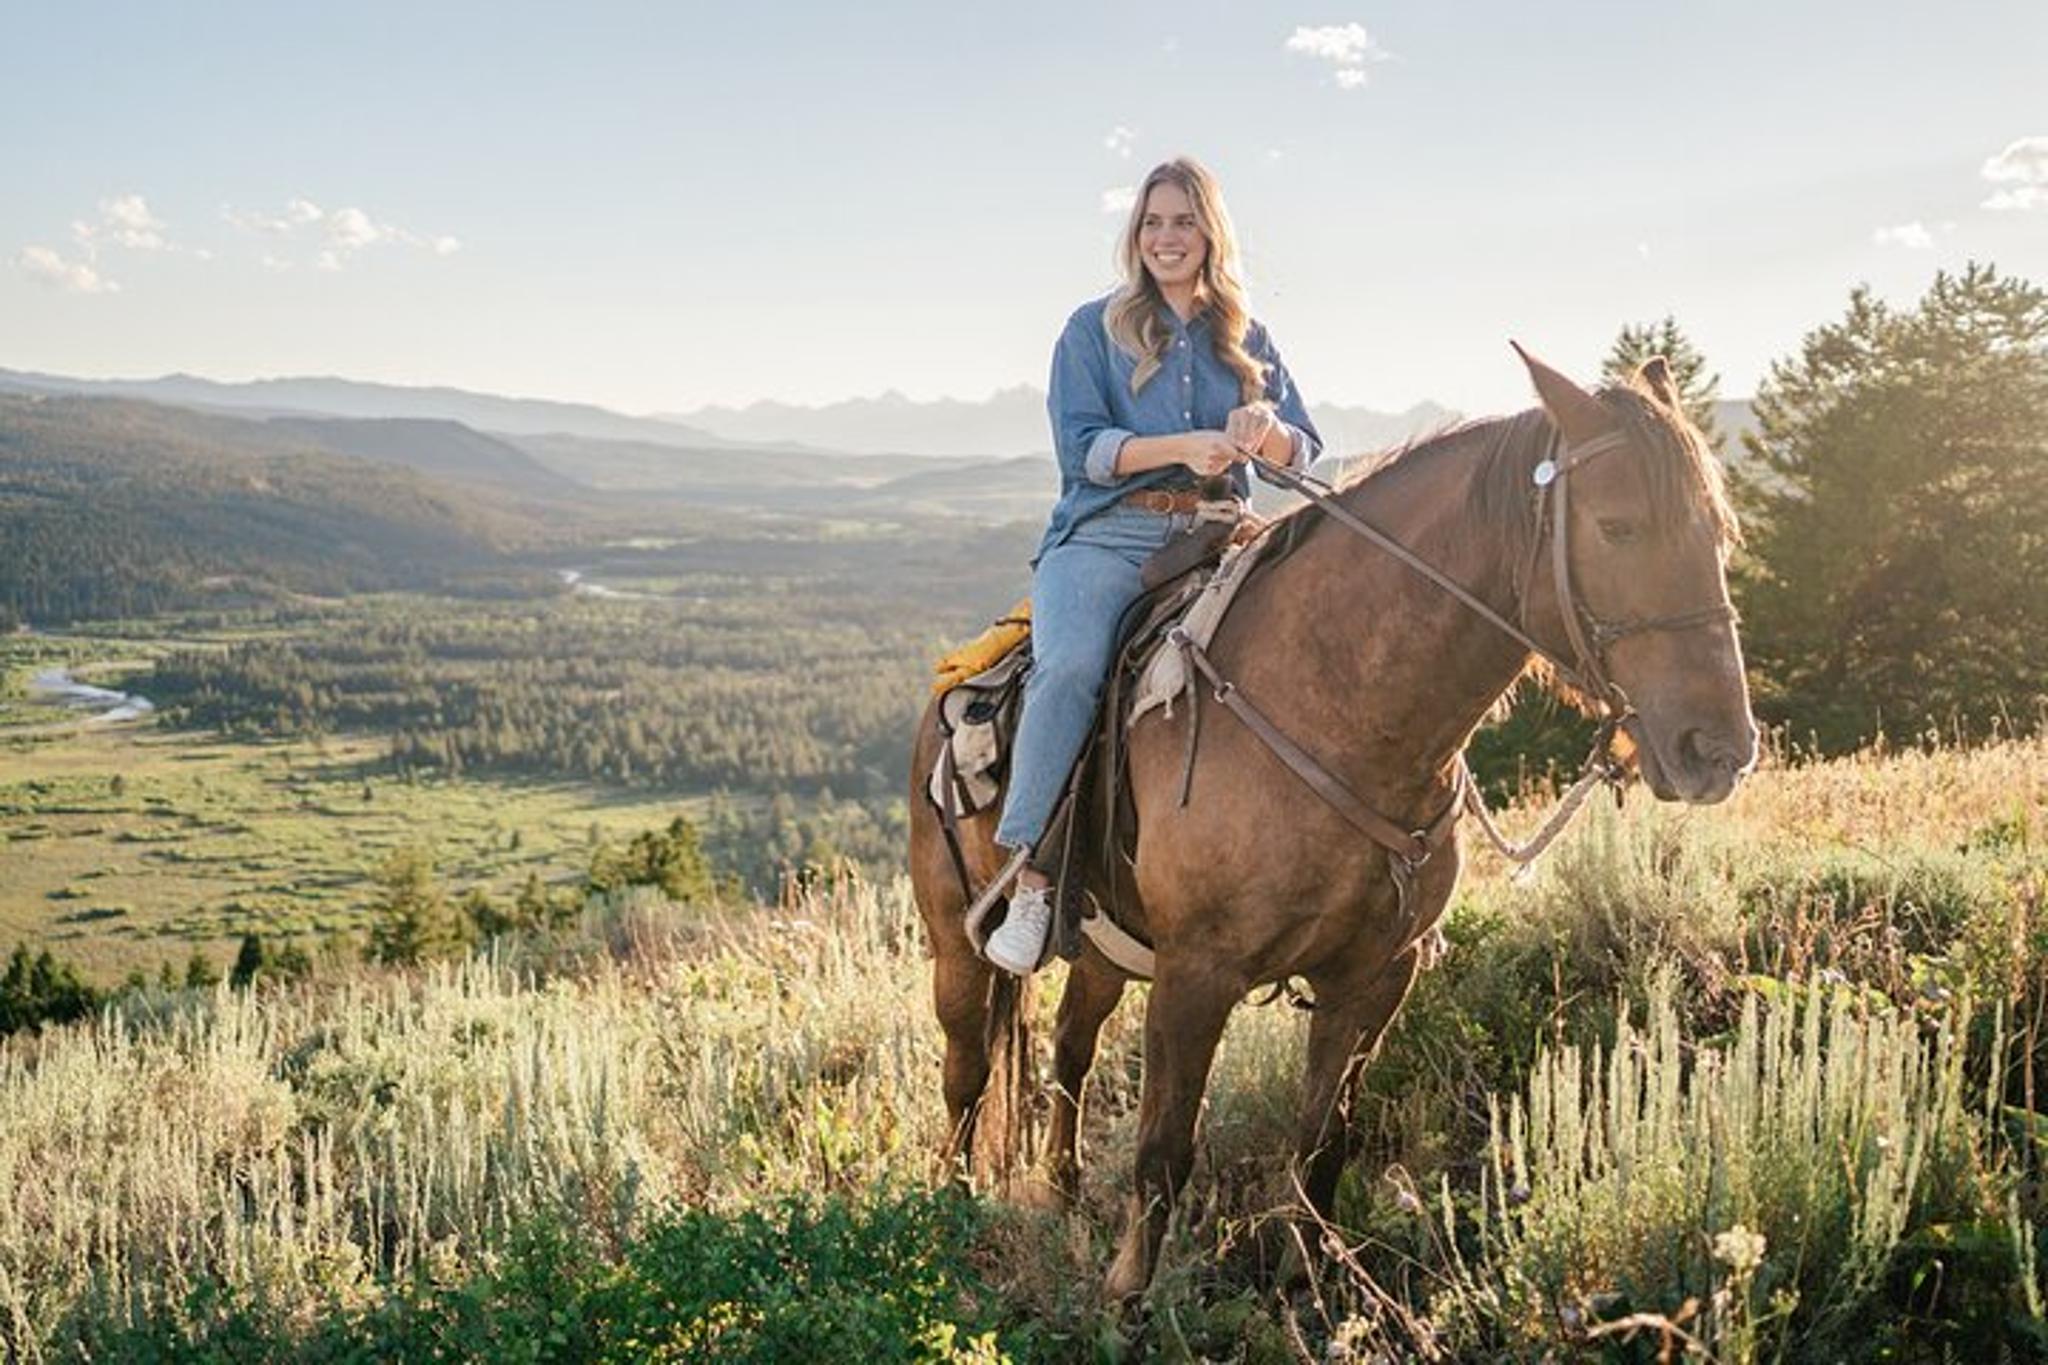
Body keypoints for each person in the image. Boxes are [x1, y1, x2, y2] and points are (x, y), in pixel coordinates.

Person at [984, 156, 1323, 976]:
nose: (1167, 238)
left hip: (1220, 536)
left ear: (1211, 233)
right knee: (1068, 672)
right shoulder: (1092, 329)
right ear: (1134, 236)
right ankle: (1030, 879)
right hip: (1108, 538)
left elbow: (1305, 453)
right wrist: (1185, 447)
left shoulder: (1249, 336)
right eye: (1152, 223)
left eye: (1183, 222)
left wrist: (1262, 429)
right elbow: (1083, 450)